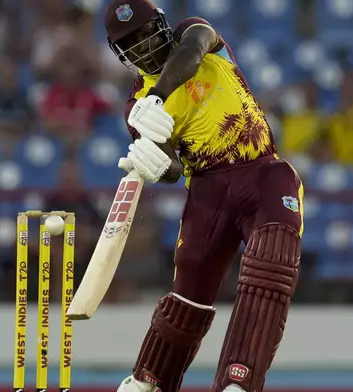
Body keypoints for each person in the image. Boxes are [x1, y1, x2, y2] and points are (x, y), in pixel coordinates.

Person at [103, 1, 304, 392]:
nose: (143, 47)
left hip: (263, 172)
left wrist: (158, 96)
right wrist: (158, 166)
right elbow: (172, 166)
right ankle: (150, 379)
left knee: (271, 264)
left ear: (161, 25)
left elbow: (193, 53)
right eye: (132, 44)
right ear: (121, 54)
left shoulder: (193, 33)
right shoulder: (135, 108)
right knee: (189, 293)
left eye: (146, 34)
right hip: (207, 190)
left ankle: (239, 379)